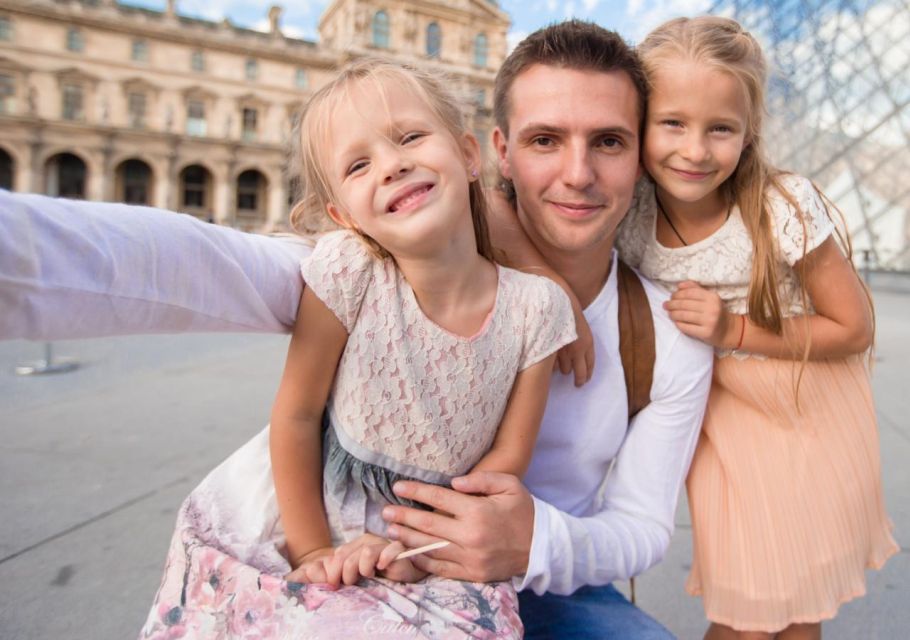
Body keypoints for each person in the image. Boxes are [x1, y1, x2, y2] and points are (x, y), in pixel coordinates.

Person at [0, 21, 713, 638]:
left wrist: (531, 541)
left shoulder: (670, 330)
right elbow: (194, 263)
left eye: (609, 141)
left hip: (544, 573)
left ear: (642, 155)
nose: (577, 173)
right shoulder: (360, 262)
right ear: (497, 151)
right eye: (545, 139)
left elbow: (643, 529)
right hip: (344, 544)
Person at [140, 57, 576, 638]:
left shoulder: (538, 308)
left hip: (441, 535)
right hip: (314, 516)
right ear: (344, 215)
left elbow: (507, 458)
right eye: (359, 164)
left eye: (410, 137)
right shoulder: (351, 271)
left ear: (470, 155)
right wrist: (314, 552)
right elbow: (296, 415)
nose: (393, 165)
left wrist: (415, 549)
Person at [615, 16, 898, 639]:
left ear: (750, 133)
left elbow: (854, 327)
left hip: (805, 413)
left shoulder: (780, 206)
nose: (695, 150)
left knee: (793, 609)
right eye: (672, 123)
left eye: (720, 128)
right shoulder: (629, 213)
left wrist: (734, 331)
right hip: (714, 421)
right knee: (751, 604)